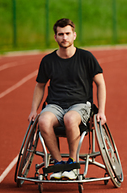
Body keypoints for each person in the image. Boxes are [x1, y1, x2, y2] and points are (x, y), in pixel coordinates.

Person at [28, 18, 107, 180]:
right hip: (55, 105)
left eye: (67, 34)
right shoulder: (48, 61)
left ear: (74, 35)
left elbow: (100, 84)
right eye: (60, 34)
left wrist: (102, 111)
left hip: (80, 105)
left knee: (70, 119)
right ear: (55, 37)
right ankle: (58, 163)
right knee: (43, 121)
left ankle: (72, 164)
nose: (64, 37)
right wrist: (33, 110)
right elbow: (40, 86)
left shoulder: (86, 57)